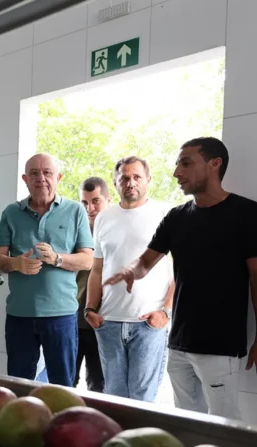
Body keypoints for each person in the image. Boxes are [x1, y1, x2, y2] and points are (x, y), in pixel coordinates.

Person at [104, 137, 257, 420]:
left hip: (220, 347)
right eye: (177, 164)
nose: (177, 172)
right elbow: (146, 262)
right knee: (186, 423)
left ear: (214, 164)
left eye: (186, 163)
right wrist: (130, 271)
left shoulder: (246, 214)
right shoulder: (177, 217)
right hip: (178, 345)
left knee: (225, 426)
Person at [0, 153, 94, 385]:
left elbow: (87, 261)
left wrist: (57, 258)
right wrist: (16, 263)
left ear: (58, 177)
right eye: (35, 174)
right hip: (20, 315)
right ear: (25, 179)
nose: (41, 179)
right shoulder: (11, 212)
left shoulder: (75, 211)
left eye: (47, 173)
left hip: (61, 316)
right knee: (18, 385)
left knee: (63, 386)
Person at [85, 157, 174, 401]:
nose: (130, 182)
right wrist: (90, 309)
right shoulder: (104, 218)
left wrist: (165, 311)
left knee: (142, 399)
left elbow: (181, 269)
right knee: (113, 398)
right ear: (115, 183)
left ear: (148, 180)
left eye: (136, 177)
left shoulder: (165, 214)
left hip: (148, 323)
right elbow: (96, 269)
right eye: (124, 177)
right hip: (108, 323)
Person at [75, 176, 110, 392]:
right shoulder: (75, 230)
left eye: (96, 201)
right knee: (65, 380)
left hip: (103, 321)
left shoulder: (114, 231)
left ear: (108, 200)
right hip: (73, 318)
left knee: (98, 384)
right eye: (85, 202)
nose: (90, 208)